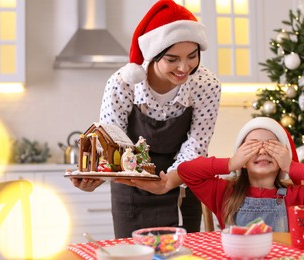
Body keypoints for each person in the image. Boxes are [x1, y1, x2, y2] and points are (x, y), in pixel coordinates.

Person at [70, 0, 221, 238]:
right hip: (131, 188)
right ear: (153, 54)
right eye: (172, 59)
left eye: (192, 56)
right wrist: (97, 176)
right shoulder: (123, 83)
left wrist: (168, 181)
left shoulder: (205, 85)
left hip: (181, 182)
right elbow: (111, 141)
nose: (184, 67)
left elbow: (197, 144)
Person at [120, 117, 304, 232]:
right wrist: (229, 163)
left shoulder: (297, 196)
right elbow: (188, 171)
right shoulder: (224, 192)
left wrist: (292, 167)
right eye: (252, 146)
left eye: (271, 146)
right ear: (241, 156)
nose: (261, 150)